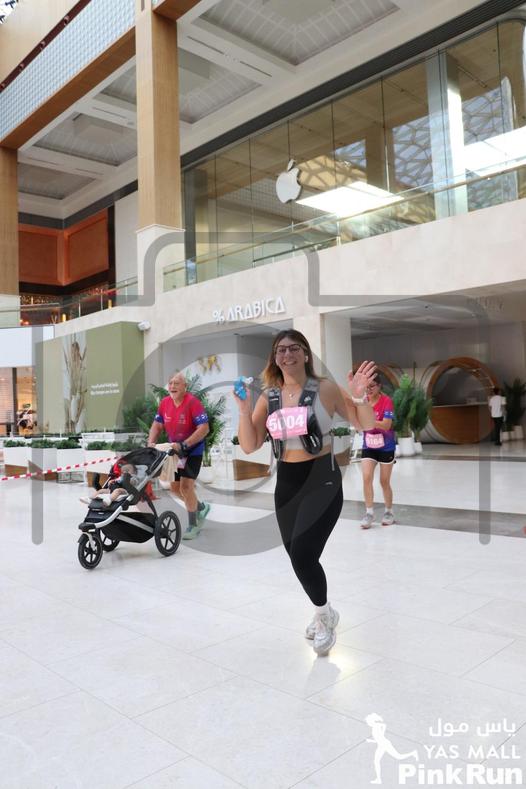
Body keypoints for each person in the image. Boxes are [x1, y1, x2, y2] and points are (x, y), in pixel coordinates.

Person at [233, 330, 376, 656]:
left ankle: (324, 617)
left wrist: (359, 397)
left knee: (302, 555)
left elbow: (364, 425)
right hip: (287, 483)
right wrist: (243, 410)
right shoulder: (269, 396)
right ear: (274, 357)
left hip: (322, 480)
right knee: (296, 555)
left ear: (306, 353)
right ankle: (325, 611)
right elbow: (250, 444)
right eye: (280, 350)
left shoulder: (325, 388)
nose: (287, 355)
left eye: (294, 348)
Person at [148, 372, 210, 539]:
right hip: (174, 450)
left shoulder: (193, 402)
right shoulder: (165, 403)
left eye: (177, 383)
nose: (172, 386)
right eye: (170, 383)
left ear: (185, 387)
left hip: (193, 450)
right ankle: (201, 508)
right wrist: (151, 443)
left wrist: (185, 444)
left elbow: (204, 428)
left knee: (186, 487)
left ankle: (193, 525)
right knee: (175, 488)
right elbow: (157, 425)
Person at [360, 374, 396, 529]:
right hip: (368, 445)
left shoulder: (387, 401)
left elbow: (387, 425)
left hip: (386, 446)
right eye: (366, 387)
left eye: (372, 386)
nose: (368, 390)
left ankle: (389, 512)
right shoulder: (363, 401)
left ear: (379, 386)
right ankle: (369, 513)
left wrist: (370, 420)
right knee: (366, 477)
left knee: (384, 481)